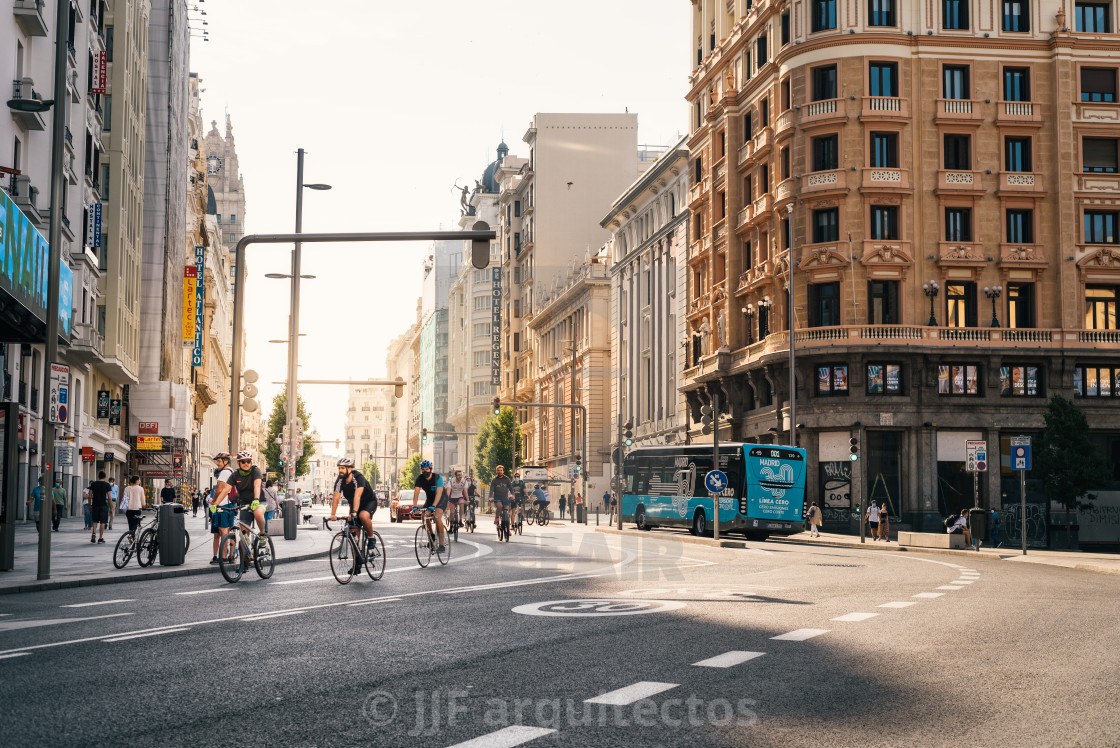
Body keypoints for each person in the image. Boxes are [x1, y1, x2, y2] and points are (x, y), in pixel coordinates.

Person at [330, 458, 378, 553]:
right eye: (339, 468)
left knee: (363, 516)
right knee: (353, 536)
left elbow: (357, 496)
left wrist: (354, 513)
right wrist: (332, 514)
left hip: (368, 502)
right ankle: (357, 565)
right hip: (354, 505)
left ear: (350, 469)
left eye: (343, 468)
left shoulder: (358, 477)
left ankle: (371, 538)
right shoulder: (339, 481)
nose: (340, 470)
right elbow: (336, 498)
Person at [207, 452, 236, 564]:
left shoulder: (224, 473)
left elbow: (220, 489)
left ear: (225, 461)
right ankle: (231, 555)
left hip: (223, 505)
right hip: (231, 504)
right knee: (230, 529)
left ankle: (223, 557)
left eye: (219, 461)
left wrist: (214, 500)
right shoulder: (232, 471)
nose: (217, 463)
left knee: (223, 530)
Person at [412, 460, 447, 551]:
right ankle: (431, 537)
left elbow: (439, 494)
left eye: (427, 469)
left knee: (437, 516)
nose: (425, 471)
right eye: (423, 470)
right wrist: (415, 506)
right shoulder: (420, 478)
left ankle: (442, 545)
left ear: (431, 469)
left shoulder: (437, 477)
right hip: (430, 499)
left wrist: (434, 506)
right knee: (424, 515)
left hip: (441, 498)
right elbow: (416, 493)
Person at [229, 451, 265, 535]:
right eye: (243, 461)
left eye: (248, 461)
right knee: (244, 534)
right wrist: (216, 503)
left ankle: (262, 534)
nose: (246, 463)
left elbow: (257, 486)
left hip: (259, 500)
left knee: (258, 513)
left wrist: (256, 499)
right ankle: (246, 546)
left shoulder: (255, 470)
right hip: (244, 503)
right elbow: (225, 489)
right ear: (238, 462)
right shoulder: (235, 474)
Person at [488, 465, 513, 537]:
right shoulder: (494, 480)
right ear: (496, 471)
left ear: (503, 471)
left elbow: (511, 488)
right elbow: (491, 489)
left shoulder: (507, 479)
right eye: (498, 470)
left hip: (505, 498)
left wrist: (513, 495)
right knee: (499, 506)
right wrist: (490, 497)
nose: (499, 472)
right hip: (497, 498)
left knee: (506, 512)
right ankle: (496, 518)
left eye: (501, 470)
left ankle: (507, 529)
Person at [87, 471, 112, 544]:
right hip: (103, 505)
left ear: (98, 476)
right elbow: (109, 497)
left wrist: (89, 505)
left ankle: (94, 533)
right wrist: (111, 508)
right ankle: (100, 538)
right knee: (103, 522)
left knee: (95, 521)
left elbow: (90, 496)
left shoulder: (93, 484)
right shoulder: (107, 485)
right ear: (105, 477)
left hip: (95, 505)